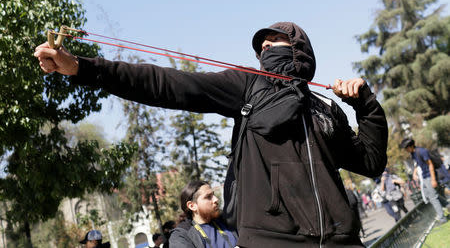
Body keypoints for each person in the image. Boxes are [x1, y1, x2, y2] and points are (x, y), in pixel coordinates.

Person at [35, 22, 388, 247]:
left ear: (299, 47)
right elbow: (168, 85)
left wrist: (367, 104)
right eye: (260, 45)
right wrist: (82, 67)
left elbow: (371, 162)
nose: (264, 47)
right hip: (272, 242)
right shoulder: (249, 87)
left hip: (344, 241)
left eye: (274, 40)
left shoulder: (325, 108)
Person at [169, 180, 238, 248]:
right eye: (208, 197)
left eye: (213, 195)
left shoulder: (227, 220)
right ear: (192, 206)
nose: (216, 199)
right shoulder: (181, 236)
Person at [400, 138, 447, 224]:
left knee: (433, 198)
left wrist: (433, 179)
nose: (406, 150)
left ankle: (442, 218)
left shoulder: (421, 151)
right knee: (428, 196)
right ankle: (447, 205)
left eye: (406, 148)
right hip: (424, 177)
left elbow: (430, 164)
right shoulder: (413, 153)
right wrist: (414, 173)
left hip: (429, 176)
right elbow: (417, 163)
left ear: (410, 146)